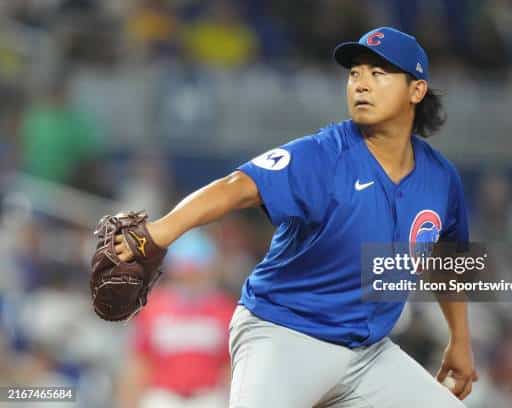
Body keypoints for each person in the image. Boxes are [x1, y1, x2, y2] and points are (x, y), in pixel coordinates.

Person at [114, 26, 477, 407]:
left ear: (416, 91)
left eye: (379, 73)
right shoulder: (323, 155)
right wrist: (156, 233)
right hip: (284, 334)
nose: (362, 84)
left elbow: (449, 258)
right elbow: (236, 187)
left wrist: (461, 341)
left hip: (368, 354)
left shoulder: (440, 178)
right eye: (355, 73)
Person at [118, 230, 234, 408]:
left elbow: (231, 367)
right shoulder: (152, 308)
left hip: (209, 397)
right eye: (183, 269)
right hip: (163, 397)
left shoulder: (225, 310)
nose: (189, 275)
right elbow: (139, 363)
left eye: (195, 269)